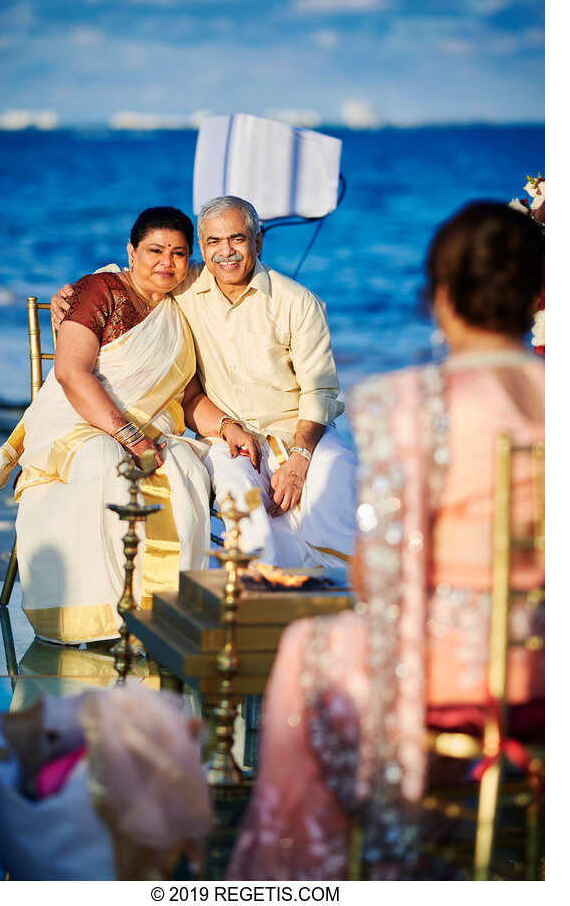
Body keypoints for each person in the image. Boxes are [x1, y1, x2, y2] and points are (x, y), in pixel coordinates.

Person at [227, 202, 545, 880]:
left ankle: (300, 874)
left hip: (453, 669)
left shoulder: (405, 403)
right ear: (538, 297)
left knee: (306, 652)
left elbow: (378, 578)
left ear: (439, 297)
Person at [0, 206, 259, 645]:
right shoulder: (98, 290)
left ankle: (162, 613)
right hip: (78, 418)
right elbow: (71, 373)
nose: (166, 263)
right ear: (131, 251)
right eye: (154, 251)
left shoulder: (179, 309)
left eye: (178, 253)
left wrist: (229, 427)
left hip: (152, 426)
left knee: (185, 469)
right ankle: (97, 617)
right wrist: (129, 436)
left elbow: (189, 398)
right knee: (105, 463)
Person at [52, 196, 357, 581]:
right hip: (226, 435)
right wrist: (72, 295)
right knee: (237, 493)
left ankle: (342, 588)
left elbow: (320, 392)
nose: (225, 252)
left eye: (237, 239)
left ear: (258, 242)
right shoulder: (185, 285)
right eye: (213, 241)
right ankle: (255, 590)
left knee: (338, 473)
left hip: (298, 432)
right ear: (202, 246)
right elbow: (133, 280)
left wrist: (298, 459)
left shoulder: (298, 303)